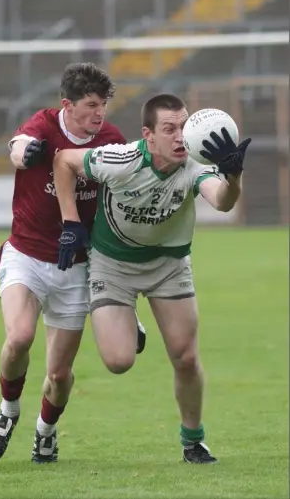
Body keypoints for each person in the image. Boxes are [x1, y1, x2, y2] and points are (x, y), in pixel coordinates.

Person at [53, 93, 252, 464]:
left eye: (184, 126)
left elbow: (223, 202)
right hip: (113, 266)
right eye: (169, 129)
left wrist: (234, 174)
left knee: (186, 358)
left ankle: (193, 440)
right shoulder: (121, 159)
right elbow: (63, 160)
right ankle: (131, 322)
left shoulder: (194, 165)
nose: (180, 137)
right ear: (149, 136)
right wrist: (71, 222)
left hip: (168, 266)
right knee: (118, 361)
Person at [0, 62, 147, 464]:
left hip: (76, 265)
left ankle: (46, 431)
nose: (99, 113)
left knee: (58, 374)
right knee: (19, 337)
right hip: (27, 255)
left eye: (104, 104)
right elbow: (18, 147)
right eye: (91, 105)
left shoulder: (109, 139)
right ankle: (7, 413)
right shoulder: (44, 126)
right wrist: (26, 152)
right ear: (67, 106)